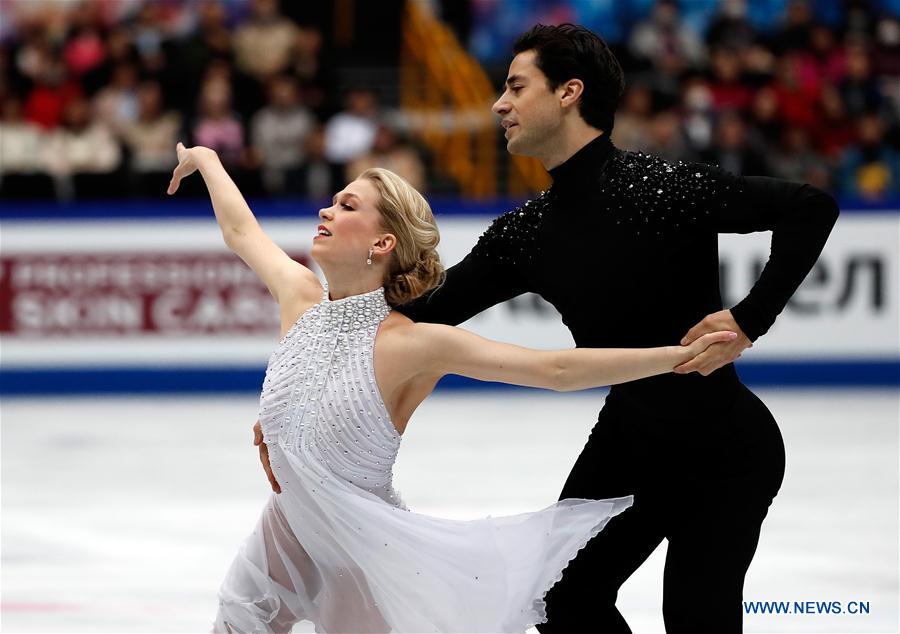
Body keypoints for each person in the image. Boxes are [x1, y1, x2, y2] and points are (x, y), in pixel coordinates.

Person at [256, 23, 840, 633]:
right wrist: (295, 398)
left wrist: (750, 319)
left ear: (568, 93)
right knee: (560, 597)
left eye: (515, 87)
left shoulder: (663, 187)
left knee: (696, 615)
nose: (498, 104)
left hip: (727, 450)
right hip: (631, 440)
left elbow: (809, 206)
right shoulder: (527, 233)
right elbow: (412, 317)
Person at [166, 142, 733, 632]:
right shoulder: (298, 296)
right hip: (281, 539)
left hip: (360, 553)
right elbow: (241, 230)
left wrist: (679, 356)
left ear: (382, 243)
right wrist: (208, 160)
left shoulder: (411, 343)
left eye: (347, 205)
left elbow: (554, 369)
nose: (326, 208)